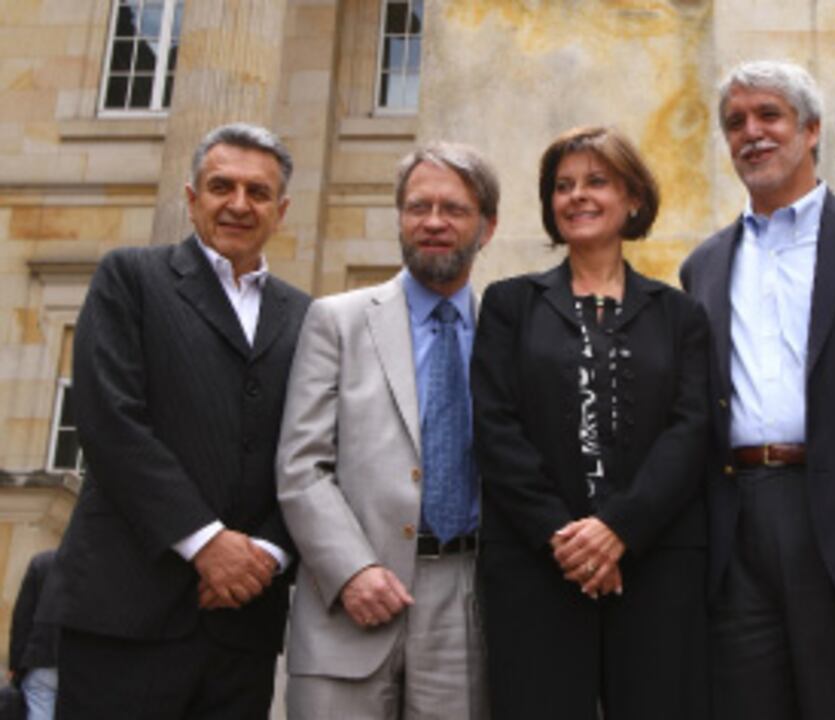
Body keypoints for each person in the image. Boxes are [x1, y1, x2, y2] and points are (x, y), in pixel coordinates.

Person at [679, 60, 835, 719]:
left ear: (811, 129)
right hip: (737, 525)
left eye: (769, 115)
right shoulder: (703, 265)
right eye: (736, 122)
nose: (752, 133)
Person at [46, 123, 310, 719]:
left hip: (241, 622)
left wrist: (267, 552)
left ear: (281, 209)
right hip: (126, 613)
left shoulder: (306, 317)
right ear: (191, 199)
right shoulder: (131, 279)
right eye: (222, 186)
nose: (239, 204)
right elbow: (110, 420)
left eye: (258, 192)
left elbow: (315, 451)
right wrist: (206, 541)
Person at [472, 126, 710, 719]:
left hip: (655, 566)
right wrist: (565, 536)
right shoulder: (509, 304)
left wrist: (619, 528)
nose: (577, 196)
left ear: (633, 198)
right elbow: (496, 427)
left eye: (596, 182)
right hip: (535, 567)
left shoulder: (680, 314)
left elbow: (691, 427)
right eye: (563, 186)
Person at [276, 141, 496, 719]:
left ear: (487, 228)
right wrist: (351, 568)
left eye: (454, 209)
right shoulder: (336, 320)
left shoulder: (507, 331)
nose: (433, 223)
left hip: (464, 602)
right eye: (418, 207)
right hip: (347, 600)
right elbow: (302, 466)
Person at [9, 550, 58, 720]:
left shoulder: (43, 562)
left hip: (43, 657)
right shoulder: (104, 569)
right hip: (86, 661)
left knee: (40, 706)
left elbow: (22, 617)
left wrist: (15, 664)